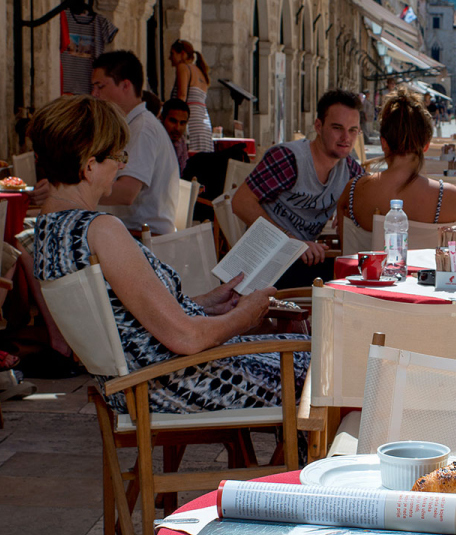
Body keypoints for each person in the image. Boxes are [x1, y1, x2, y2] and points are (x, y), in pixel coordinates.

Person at [29, 95, 305, 414]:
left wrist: (205, 304)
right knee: (322, 366)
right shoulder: (101, 231)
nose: (122, 165)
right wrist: (246, 314)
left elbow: (124, 318)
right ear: (90, 166)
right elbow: (186, 338)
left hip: (140, 384)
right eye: (117, 155)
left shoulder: (49, 229)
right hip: (178, 383)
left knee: (305, 353)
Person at [232, 90, 364, 287]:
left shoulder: (350, 170)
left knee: (354, 279)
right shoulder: (288, 159)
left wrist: (348, 209)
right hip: (258, 265)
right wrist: (289, 242)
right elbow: (240, 202)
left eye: (353, 130)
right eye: (337, 128)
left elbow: (372, 197)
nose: (346, 137)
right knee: (343, 285)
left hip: (298, 264)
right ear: (318, 126)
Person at [339, 88, 456, 254]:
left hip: (368, 271)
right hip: (427, 271)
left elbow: (346, 252)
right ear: (426, 145)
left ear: (383, 143)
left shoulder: (353, 192)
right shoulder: (451, 198)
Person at [90, 51, 180, 234]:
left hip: (142, 237)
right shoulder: (131, 125)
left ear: (125, 85)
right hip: (127, 231)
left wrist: (74, 191)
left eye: (100, 86)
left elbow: (126, 193)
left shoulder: (143, 129)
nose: (94, 94)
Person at [169, 40, 213, 155]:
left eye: (172, 53)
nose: (169, 58)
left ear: (182, 54)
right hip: (204, 124)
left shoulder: (183, 67)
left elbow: (182, 96)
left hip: (191, 123)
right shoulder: (201, 72)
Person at [159, 98, 191, 172]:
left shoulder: (181, 141)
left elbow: (183, 171)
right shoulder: (154, 139)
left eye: (182, 123)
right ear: (162, 119)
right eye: (173, 121)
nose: (177, 128)